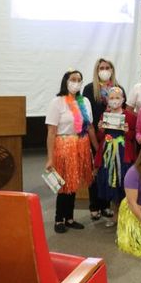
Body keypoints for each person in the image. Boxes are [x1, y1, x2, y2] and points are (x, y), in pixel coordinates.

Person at [45, 69, 99, 233]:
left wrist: (98, 150)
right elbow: (51, 132)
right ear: (65, 81)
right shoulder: (57, 102)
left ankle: (69, 218)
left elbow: (89, 128)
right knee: (64, 183)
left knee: (74, 182)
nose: (76, 82)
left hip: (81, 144)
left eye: (79, 80)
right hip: (64, 144)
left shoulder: (85, 102)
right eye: (73, 79)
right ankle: (58, 219)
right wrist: (50, 158)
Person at [83, 58, 124, 221]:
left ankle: (106, 205)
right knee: (96, 171)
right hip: (95, 136)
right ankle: (94, 206)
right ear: (96, 70)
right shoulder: (88, 89)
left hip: (114, 138)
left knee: (110, 171)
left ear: (112, 70)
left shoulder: (119, 89)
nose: (105, 70)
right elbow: (87, 116)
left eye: (108, 68)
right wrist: (95, 140)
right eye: (102, 68)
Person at [94, 87, 137, 227]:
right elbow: (101, 137)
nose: (114, 101)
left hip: (123, 154)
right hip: (108, 154)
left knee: (122, 183)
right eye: (111, 98)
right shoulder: (105, 114)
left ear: (123, 99)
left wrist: (126, 131)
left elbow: (133, 137)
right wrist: (100, 129)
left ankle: (126, 214)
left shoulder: (130, 116)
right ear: (107, 100)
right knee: (110, 182)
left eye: (117, 98)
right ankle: (115, 213)